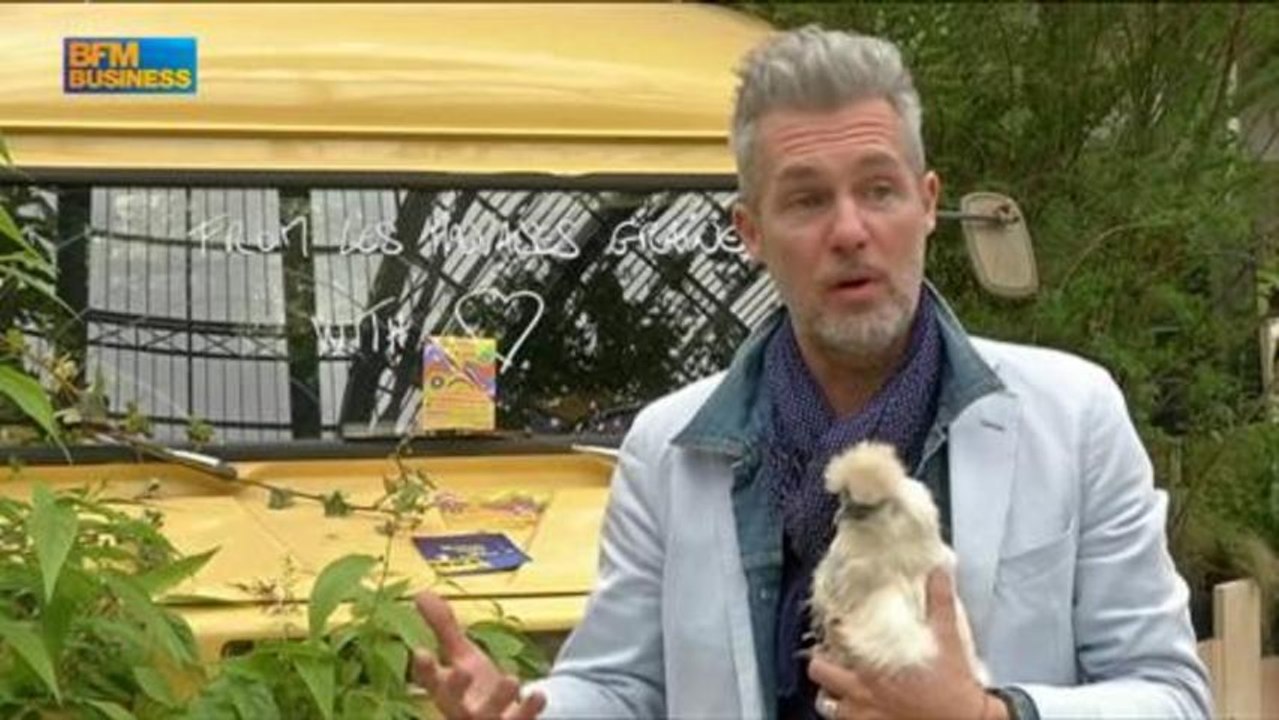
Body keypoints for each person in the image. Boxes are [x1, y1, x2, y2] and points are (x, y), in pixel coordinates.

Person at [412, 25, 1212, 720]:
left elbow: (1171, 694)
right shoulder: (669, 450)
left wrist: (984, 712)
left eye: (878, 190)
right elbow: (623, 688)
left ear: (927, 203)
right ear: (751, 231)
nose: (850, 231)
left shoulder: (1070, 417)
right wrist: (527, 709)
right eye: (805, 201)